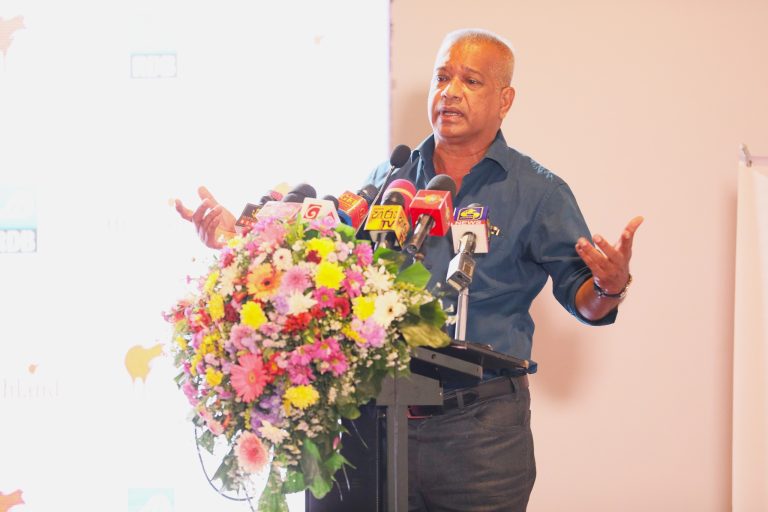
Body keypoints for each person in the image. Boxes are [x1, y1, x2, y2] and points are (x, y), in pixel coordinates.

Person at [175, 28, 642, 512]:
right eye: (442, 77)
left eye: (471, 81)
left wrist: (609, 286)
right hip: (369, 424)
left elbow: (585, 299)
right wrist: (240, 237)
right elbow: (325, 271)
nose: (450, 92)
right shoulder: (389, 179)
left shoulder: (537, 191)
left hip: (477, 434)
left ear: (505, 100)